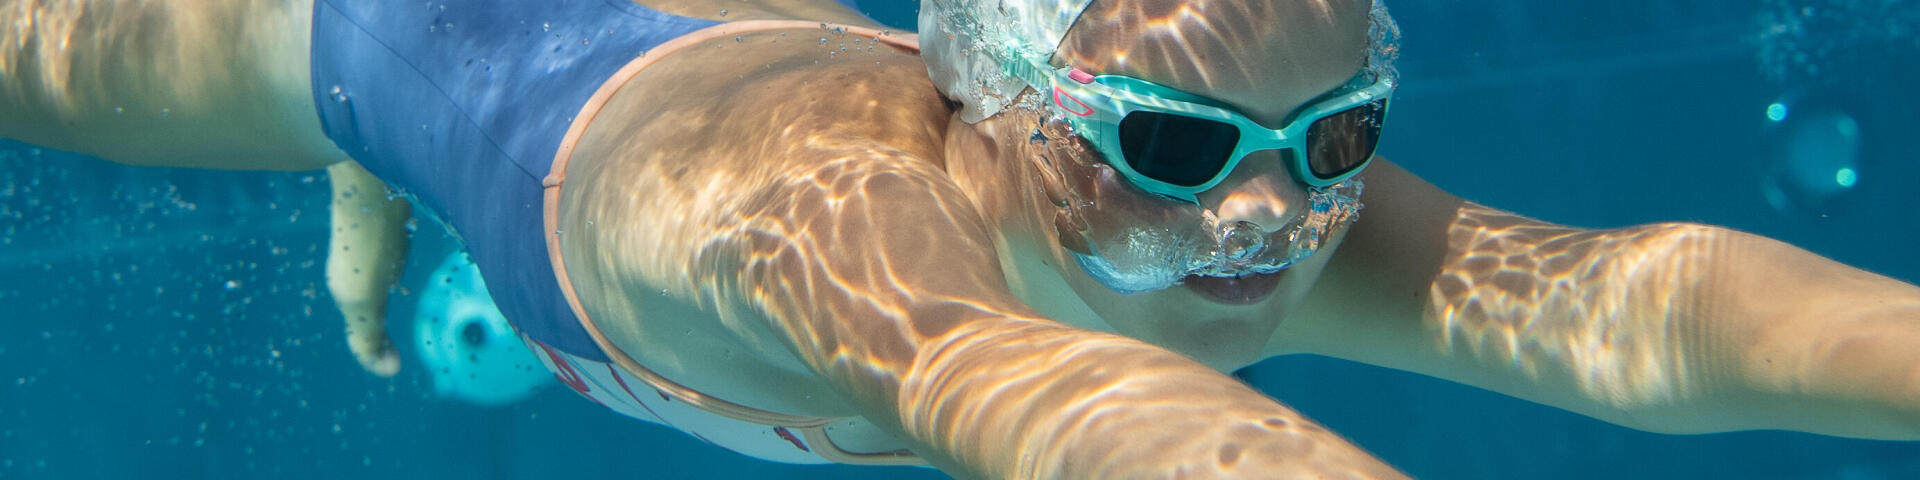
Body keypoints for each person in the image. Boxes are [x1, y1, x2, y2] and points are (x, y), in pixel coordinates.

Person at [3, 0, 1917, 478]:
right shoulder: (845, 242)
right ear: (992, 112)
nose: (1267, 206)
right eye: (1174, 139)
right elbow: (1033, 391)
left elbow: (1628, 303)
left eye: (1340, 132)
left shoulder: (1254, 213)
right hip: (423, 55)